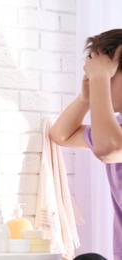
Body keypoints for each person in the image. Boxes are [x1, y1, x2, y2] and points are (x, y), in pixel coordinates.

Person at [49, 29, 122, 259]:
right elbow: (61, 135)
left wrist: (100, 81)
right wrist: (86, 98)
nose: (93, 79)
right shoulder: (116, 127)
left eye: (102, 74)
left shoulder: (111, 137)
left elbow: (109, 149)